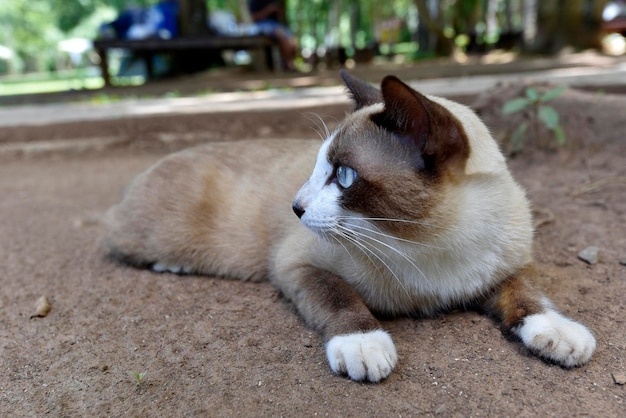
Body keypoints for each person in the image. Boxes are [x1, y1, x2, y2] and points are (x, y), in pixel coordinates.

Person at [248, 0, 297, 71]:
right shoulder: (254, 2)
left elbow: (281, 15)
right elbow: (254, 19)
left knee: (292, 41)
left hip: (276, 25)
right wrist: (268, 10)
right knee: (281, 35)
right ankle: (288, 63)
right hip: (261, 25)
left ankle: (288, 62)